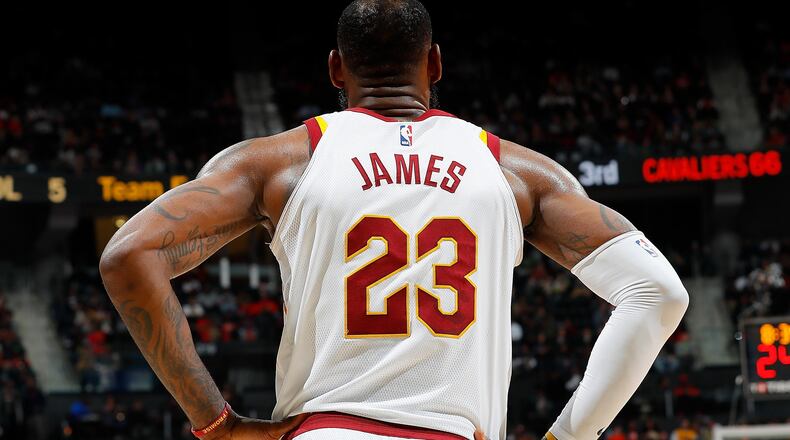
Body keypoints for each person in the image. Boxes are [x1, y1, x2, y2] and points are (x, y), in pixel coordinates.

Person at [99, 1, 689, 439]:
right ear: (435, 64)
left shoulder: (274, 165)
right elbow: (657, 294)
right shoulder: (519, 174)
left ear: (335, 69)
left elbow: (130, 254)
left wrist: (217, 423)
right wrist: (566, 437)